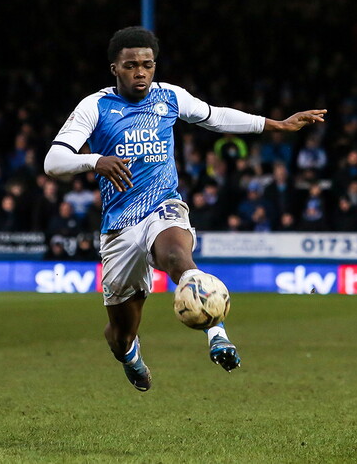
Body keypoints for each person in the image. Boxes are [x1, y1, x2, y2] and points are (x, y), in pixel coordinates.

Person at [44, 27, 326, 391]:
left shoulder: (169, 97)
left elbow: (216, 116)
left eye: (147, 64)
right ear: (114, 68)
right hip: (119, 226)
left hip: (163, 206)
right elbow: (54, 161)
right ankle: (130, 355)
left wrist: (276, 124)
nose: (141, 72)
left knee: (178, 257)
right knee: (120, 334)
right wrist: (95, 161)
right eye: (131, 66)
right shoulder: (94, 106)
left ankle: (217, 335)